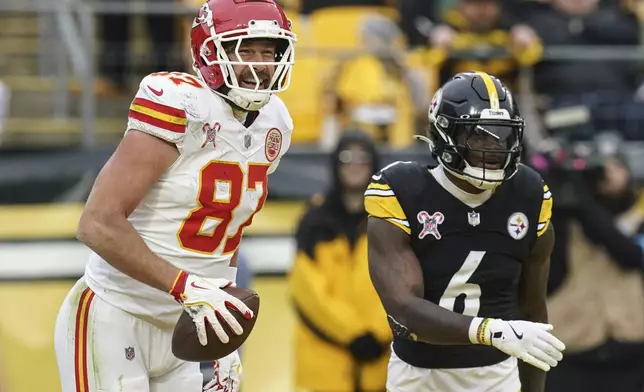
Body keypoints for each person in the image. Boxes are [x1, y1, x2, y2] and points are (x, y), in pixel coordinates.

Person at [53, 1, 296, 391]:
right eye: (245, 50)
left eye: (269, 51)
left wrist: (222, 323)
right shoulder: (179, 103)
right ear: (210, 52)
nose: (261, 64)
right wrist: (185, 286)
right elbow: (96, 224)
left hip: (186, 326)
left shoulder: (275, 123)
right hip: (116, 314)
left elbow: (226, 227)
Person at [364, 71, 565, 392]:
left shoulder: (528, 192)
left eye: (502, 135)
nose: (494, 147)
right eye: (479, 136)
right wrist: (492, 331)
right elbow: (404, 308)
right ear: (446, 134)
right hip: (418, 376)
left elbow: (533, 314)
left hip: (496, 376)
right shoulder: (402, 189)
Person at [289, 130, 392, 392]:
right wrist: (353, 334)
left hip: (381, 364)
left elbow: (404, 283)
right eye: (347, 157)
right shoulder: (314, 221)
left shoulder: (392, 220)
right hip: (326, 368)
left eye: (363, 157)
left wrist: (379, 333)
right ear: (336, 163)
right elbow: (307, 290)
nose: (355, 164)